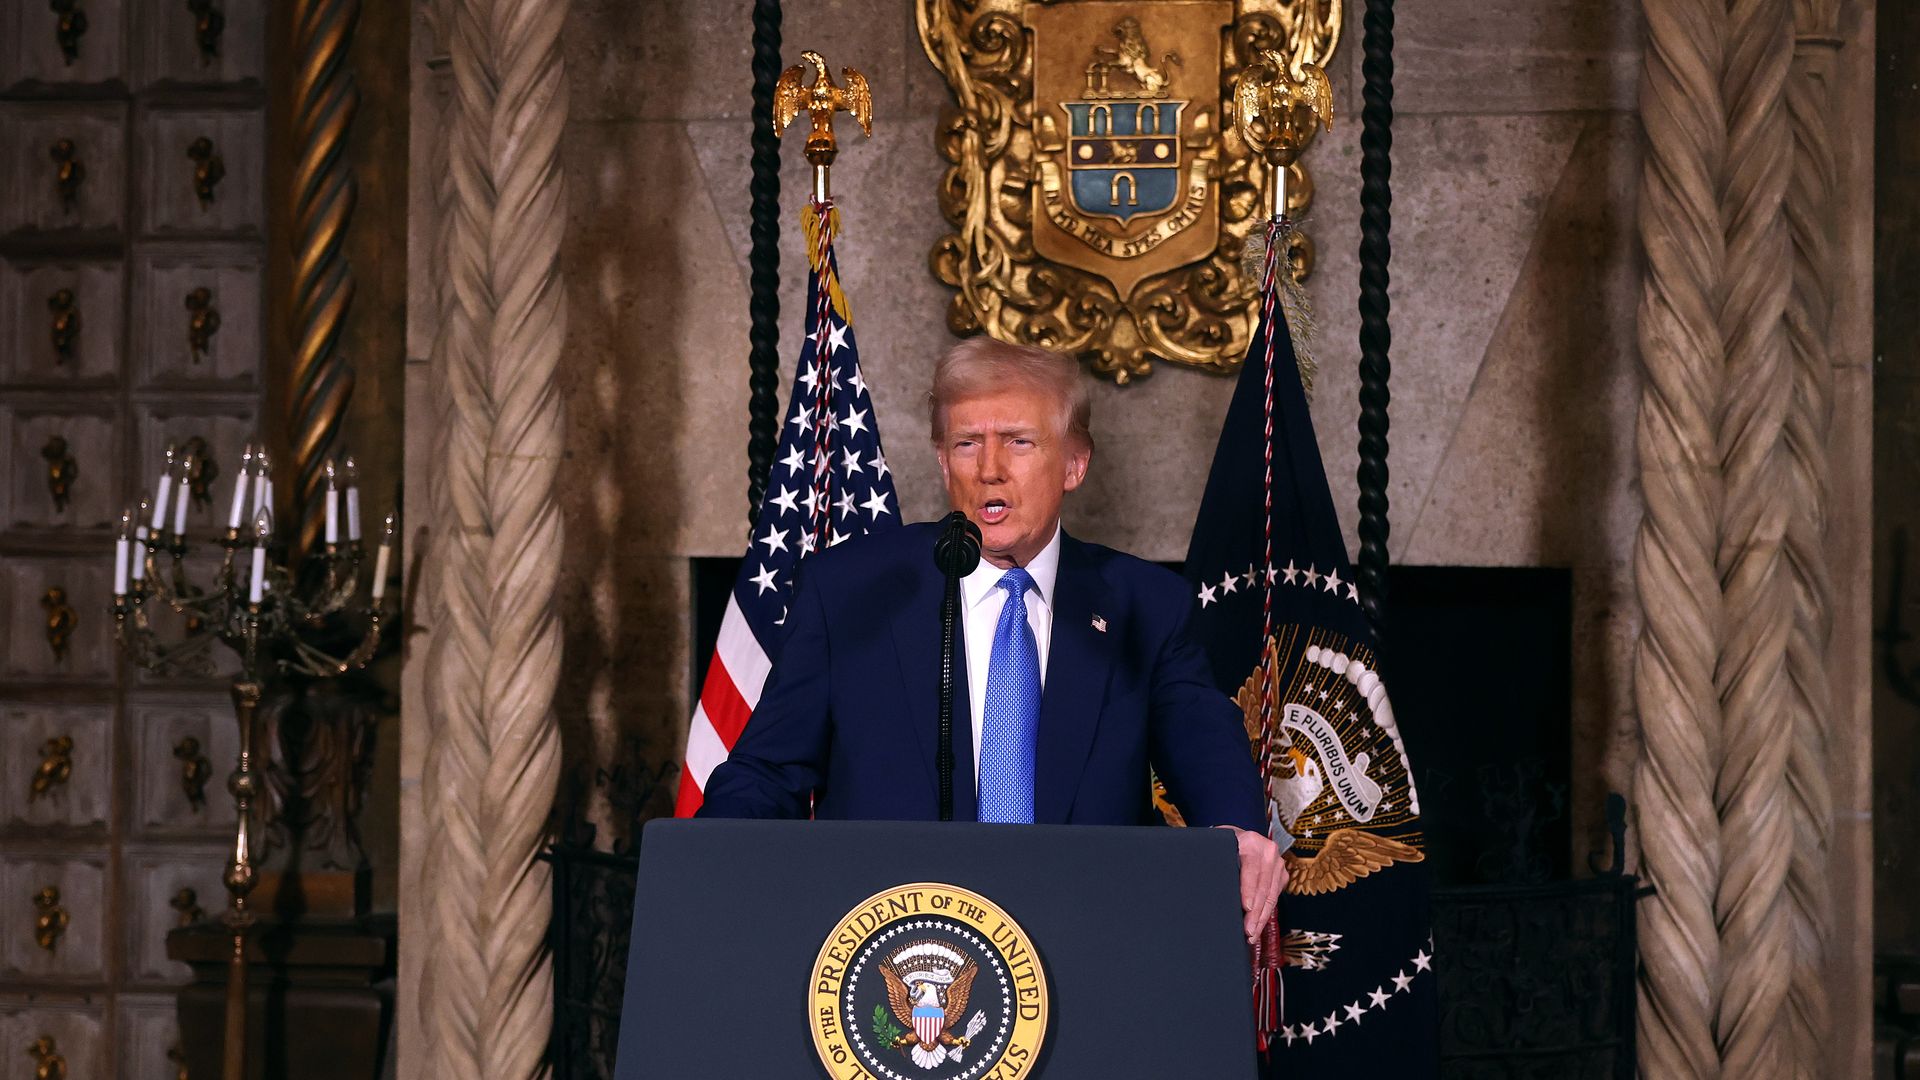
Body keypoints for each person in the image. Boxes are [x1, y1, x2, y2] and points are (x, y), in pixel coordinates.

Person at [699, 338, 1288, 941]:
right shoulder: (852, 590)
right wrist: (704, 867)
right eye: (966, 443)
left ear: (1074, 464)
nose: (989, 469)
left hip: (1088, 942)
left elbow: (1201, 737)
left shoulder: (1143, 606)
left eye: (1019, 441)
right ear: (942, 461)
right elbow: (768, 771)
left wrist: (1235, 830)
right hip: (891, 957)